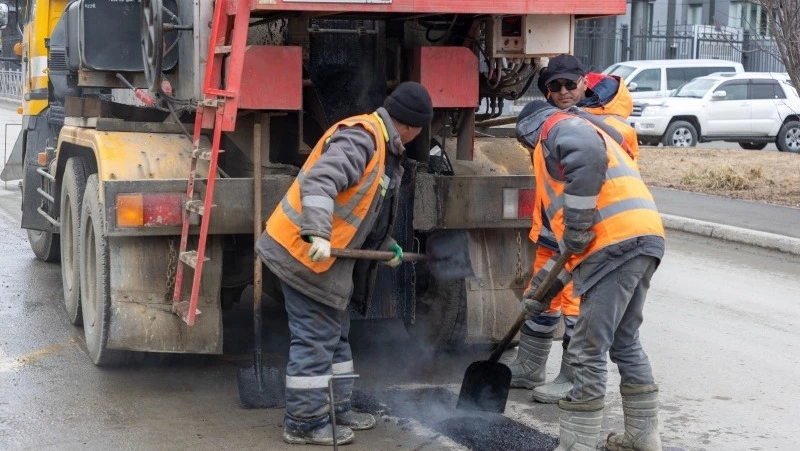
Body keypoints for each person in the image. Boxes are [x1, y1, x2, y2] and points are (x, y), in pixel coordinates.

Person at [256, 82, 433, 446]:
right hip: (304, 253)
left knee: (335, 335)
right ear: (414, 127)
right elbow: (321, 182)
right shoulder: (362, 139)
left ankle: (337, 408)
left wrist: (388, 246)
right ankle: (303, 423)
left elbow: (364, 210)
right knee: (315, 340)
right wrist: (317, 233)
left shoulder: (382, 147)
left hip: (325, 259)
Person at [516, 100, 665, 451]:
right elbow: (568, 251)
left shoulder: (556, 128)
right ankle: (643, 438)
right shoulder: (593, 130)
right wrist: (541, 292)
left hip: (613, 245)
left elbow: (583, 154)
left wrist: (579, 224)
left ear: (527, 133)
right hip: (643, 236)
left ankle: (576, 445)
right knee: (624, 339)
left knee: (586, 349)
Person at [506, 54, 641, 405]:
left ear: (585, 82)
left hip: (589, 231)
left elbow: (594, 167)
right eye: (555, 86)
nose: (563, 92)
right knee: (544, 297)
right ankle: (531, 365)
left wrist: (578, 226)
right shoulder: (555, 120)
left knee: (577, 303)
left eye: (570, 84)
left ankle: (572, 376)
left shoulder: (604, 121)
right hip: (555, 228)